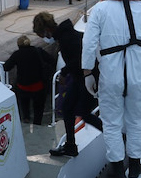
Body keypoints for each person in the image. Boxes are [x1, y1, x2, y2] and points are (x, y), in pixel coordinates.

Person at [82, 0, 141, 178]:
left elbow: (89, 43)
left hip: (111, 73)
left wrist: (87, 72)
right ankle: (135, 165)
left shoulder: (100, 9)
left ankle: (117, 169)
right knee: (137, 119)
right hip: (138, 71)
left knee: (111, 122)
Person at [33, 11, 103, 157]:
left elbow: (78, 59)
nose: (45, 38)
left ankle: (114, 136)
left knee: (83, 113)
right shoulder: (65, 34)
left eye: (43, 35)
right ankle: (70, 145)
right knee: (67, 108)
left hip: (87, 77)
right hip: (80, 77)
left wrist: (64, 72)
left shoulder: (67, 37)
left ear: (47, 30)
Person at [3, 35, 55, 126]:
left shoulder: (17, 54)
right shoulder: (38, 51)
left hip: (23, 87)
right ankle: (37, 125)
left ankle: (26, 121)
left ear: (18, 45)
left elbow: (6, 67)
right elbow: (52, 60)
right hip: (38, 86)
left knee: (25, 108)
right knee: (38, 109)